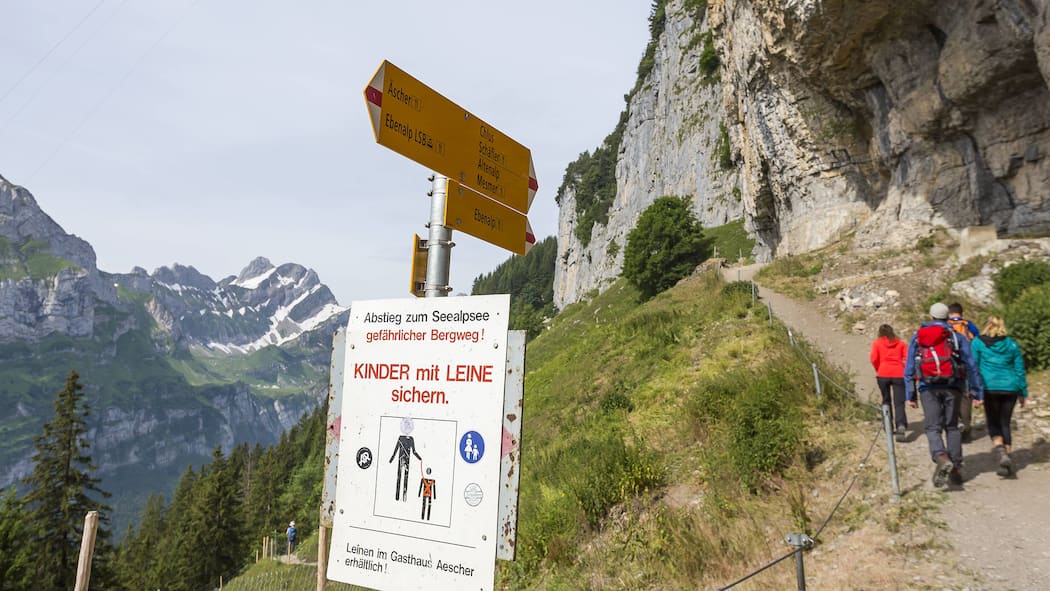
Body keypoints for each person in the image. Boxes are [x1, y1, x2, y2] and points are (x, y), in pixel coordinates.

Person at [904, 302, 984, 488]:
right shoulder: (955, 337)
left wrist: (910, 394)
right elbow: (971, 365)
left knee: (932, 427)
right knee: (952, 427)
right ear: (947, 317)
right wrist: (976, 391)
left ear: (931, 317)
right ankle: (955, 468)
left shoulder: (918, 336)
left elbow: (909, 366)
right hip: (953, 386)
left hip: (927, 387)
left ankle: (940, 456)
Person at [971, 316, 1028, 477]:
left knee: (993, 422)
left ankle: (1000, 450)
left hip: (989, 387)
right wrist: (1023, 392)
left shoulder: (977, 342)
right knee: (1005, 423)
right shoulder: (1011, 344)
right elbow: (1019, 369)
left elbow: (973, 367)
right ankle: (1007, 461)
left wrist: (975, 391)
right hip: (1010, 388)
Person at [947, 302, 981, 442]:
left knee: (952, 395)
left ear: (949, 313)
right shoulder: (968, 325)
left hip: (950, 365)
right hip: (966, 363)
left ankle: (955, 425)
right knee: (966, 396)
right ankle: (966, 427)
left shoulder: (946, 325)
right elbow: (978, 340)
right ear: (962, 313)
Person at [870, 324, 908, 441]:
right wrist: (901, 367)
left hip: (883, 373)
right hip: (898, 374)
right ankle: (900, 424)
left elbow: (873, 359)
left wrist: (879, 368)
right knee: (899, 402)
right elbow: (907, 359)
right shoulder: (901, 343)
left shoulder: (877, 343)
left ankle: (888, 426)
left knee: (886, 400)